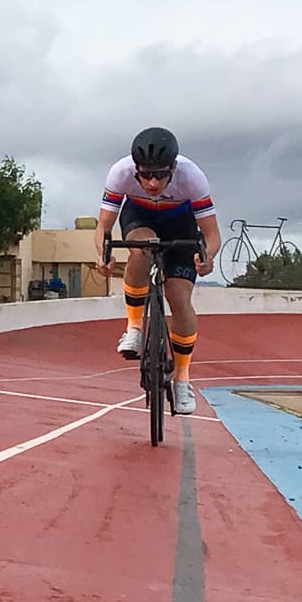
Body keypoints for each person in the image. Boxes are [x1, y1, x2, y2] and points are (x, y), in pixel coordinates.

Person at [93, 126, 220, 415]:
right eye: (144, 174)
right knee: (143, 246)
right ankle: (134, 328)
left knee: (179, 298)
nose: (151, 183)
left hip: (180, 223)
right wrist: (103, 255)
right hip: (140, 216)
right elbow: (103, 226)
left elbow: (212, 235)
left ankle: (182, 378)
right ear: (135, 169)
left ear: (173, 168)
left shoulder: (193, 178)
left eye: (160, 175)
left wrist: (207, 257)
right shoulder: (120, 173)